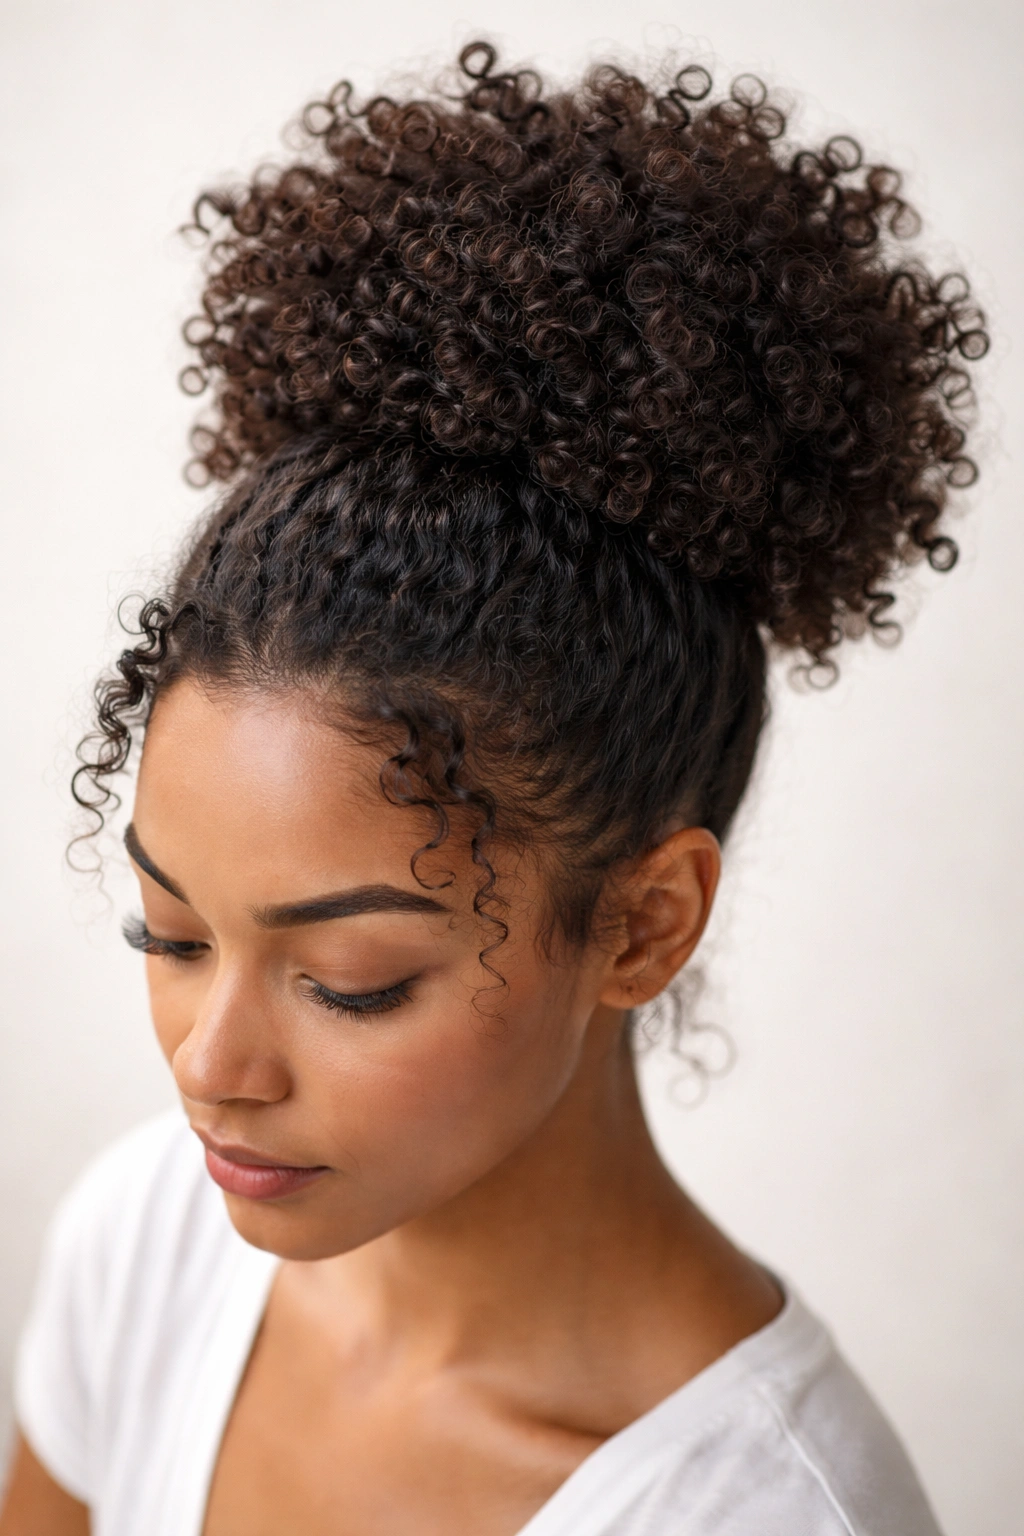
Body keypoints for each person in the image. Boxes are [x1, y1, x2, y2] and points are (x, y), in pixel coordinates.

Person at [0, 42, 987, 1536]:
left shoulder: (767, 1515)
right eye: (171, 936)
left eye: (351, 980)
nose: (211, 1066)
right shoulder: (145, 1248)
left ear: (647, 925)